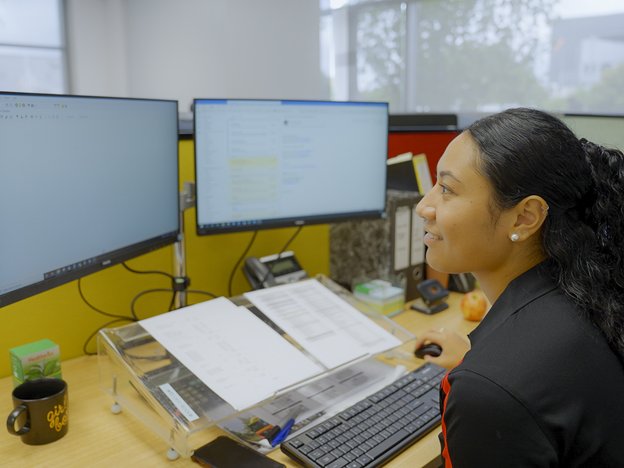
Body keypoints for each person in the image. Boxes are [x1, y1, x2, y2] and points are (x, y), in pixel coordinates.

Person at [412, 108, 624, 467]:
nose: (423, 207)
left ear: (525, 217)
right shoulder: (592, 292)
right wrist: (480, 357)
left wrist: (487, 373)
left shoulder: (487, 390)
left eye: (447, 189)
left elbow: (513, 387)